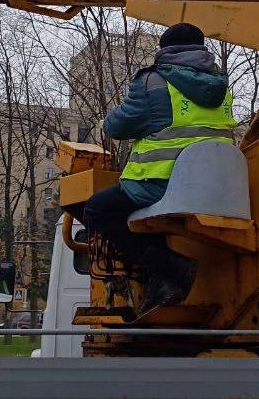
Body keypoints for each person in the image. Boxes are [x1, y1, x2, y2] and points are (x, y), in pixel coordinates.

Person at [82, 22, 236, 311]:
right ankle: (163, 278)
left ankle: (168, 267)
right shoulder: (221, 86)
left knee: (97, 211)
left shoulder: (153, 82)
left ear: (165, 50)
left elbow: (118, 126)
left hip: (162, 184)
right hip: (217, 188)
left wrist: (105, 122)